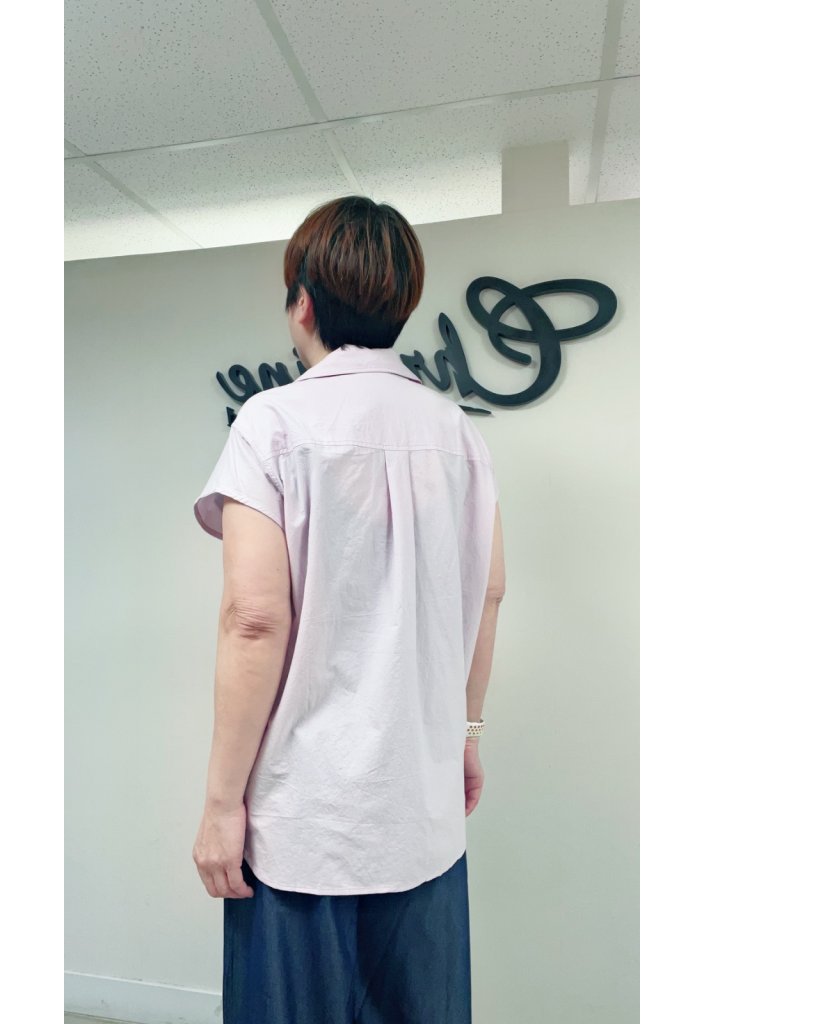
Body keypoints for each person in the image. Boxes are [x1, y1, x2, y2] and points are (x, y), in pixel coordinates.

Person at [192, 195, 505, 1024]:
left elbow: (253, 619)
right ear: (401, 305)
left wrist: (222, 806)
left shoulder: (271, 423)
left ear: (302, 303)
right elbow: (488, 592)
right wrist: (468, 734)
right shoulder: (459, 433)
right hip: (421, 818)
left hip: (304, 829)